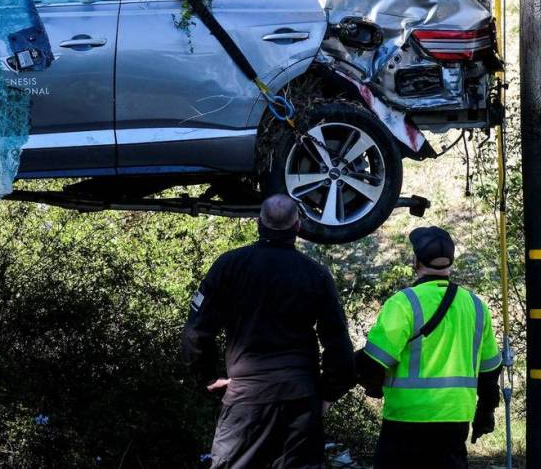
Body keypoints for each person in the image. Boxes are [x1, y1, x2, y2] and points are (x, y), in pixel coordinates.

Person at [181, 194, 356, 469]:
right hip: (300, 402)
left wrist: (208, 377)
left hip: (245, 399)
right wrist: (328, 394)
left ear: (258, 224)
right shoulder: (316, 275)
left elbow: (195, 333)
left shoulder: (229, 266)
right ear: (298, 227)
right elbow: (339, 349)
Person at [357, 226, 502, 469]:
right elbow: (490, 371)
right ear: (451, 261)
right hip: (455, 419)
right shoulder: (477, 306)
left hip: (405, 419)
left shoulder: (404, 303)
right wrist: (485, 413)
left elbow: (374, 362)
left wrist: (373, 388)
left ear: (415, 260)